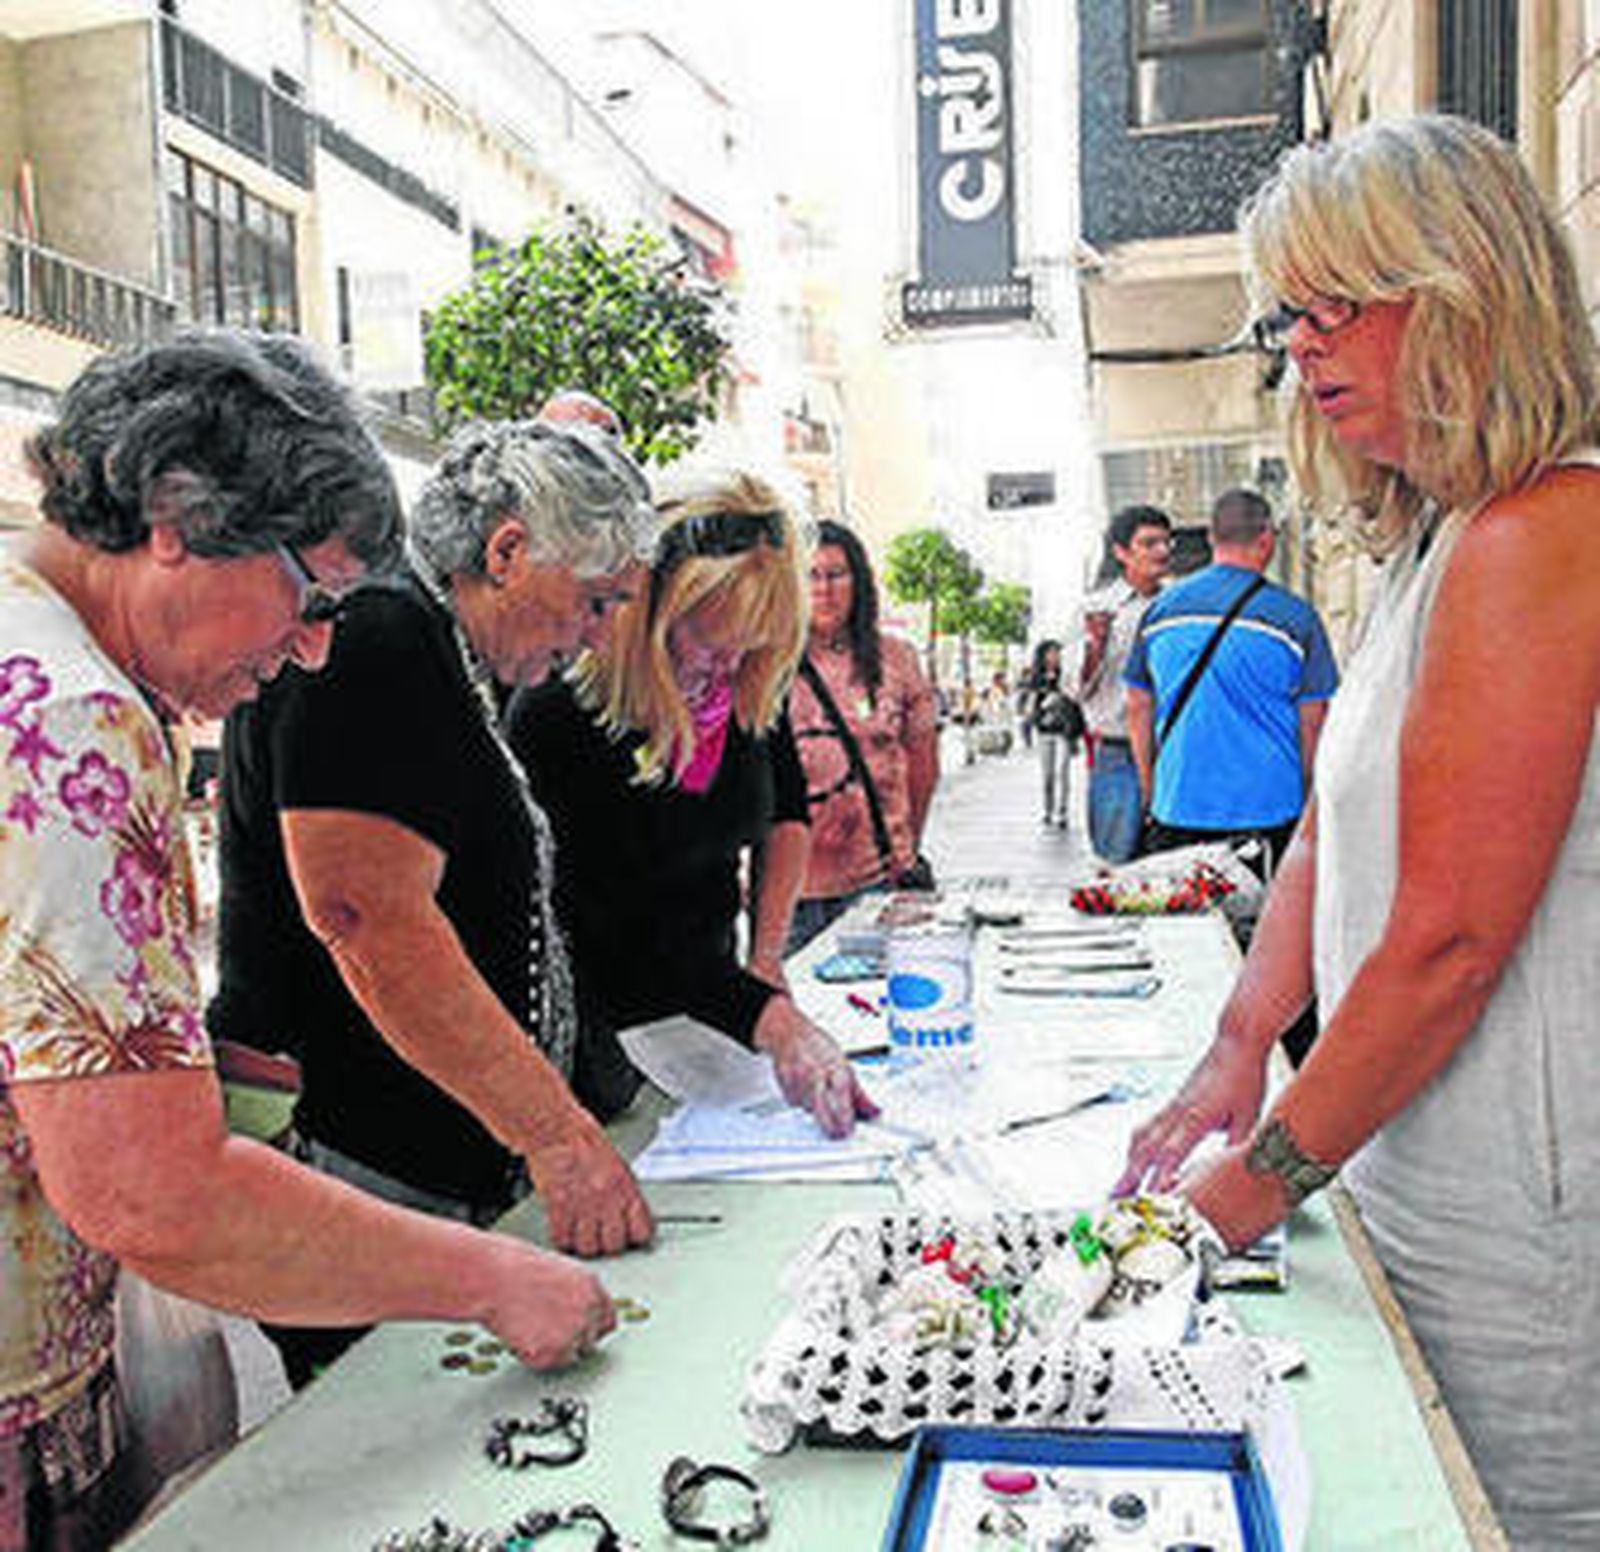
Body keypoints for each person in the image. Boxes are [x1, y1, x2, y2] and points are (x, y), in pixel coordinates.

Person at [0, 334, 615, 1551]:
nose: (313, 644)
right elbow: (155, 1191)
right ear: (176, 511)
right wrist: (493, 1278)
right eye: (311, 592)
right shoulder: (70, 719)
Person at [1117, 115, 1600, 1549]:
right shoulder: (1445, 534)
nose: (1307, 348)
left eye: (1344, 304)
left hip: (1527, 1203)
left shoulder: (1541, 529)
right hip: (1419, 1153)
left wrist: (1243, 1191)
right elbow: (1334, 835)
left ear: (1464, 293)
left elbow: (1447, 938)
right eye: (1291, 316)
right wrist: (1235, 1050)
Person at [211, 418, 656, 1387]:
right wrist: (556, 1137)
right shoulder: (380, 634)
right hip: (360, 1154)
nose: (600, 631)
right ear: (506, 551)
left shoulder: (438, 647)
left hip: (413, 1161)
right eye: (593, 598)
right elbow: (366, 917)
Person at [506, 475, 875, 1138]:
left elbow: (785, 811)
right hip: (599, 1043)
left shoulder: (741, 685)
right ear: (644, 616)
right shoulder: (559, 716)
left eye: (753, 646)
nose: (729, 664)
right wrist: (769, 1018)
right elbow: (617, 931)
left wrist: (764, 959)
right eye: (708, 641)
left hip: (708, 1013)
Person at [1124, 487, 1337, 870]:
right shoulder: (1296, 618)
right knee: (1264, 925)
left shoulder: (1161, 611)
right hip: (1270, 810)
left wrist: (1151, 788)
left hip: (1178, 805)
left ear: (1211, 538)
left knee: (1185, 924)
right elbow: (1314, 719)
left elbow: (1138, 704)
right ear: (1268, 539)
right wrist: (1309, 797)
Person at [786, 520, 941, 949]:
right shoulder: (761, 661)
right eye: (810, 575)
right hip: (785, 896)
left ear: (858, 581)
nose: (823, 589)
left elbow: (924, 764)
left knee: (877, 1007)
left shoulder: (897, 658)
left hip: (876, 883)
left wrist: (905, 845)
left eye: (836, 574)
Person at [1076, 504, 1171, 863]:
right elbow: (1074, 688)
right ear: (1121, 552)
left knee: (1176, 866)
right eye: (1148, 543)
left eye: (1165, 542)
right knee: (1117, 866)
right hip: (1119, 755)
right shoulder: (1095, 608)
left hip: (1173, 751)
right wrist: (1096, 646)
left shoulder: (1178, 605)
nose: (1161, 552)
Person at [1025, 638, 1082, 828]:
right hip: (1044, 730)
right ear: (1042, 655)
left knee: (1062, 772)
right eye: (1051, 652)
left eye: (1057, 652)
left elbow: (1075, 698)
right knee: (1047, 774)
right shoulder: (1036, 677)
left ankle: (1062, 812)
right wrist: (1040, 706)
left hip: (1063, 731)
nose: (1054, 656)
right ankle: (1047, 810)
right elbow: (1031, 705)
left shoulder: (1066, 675)